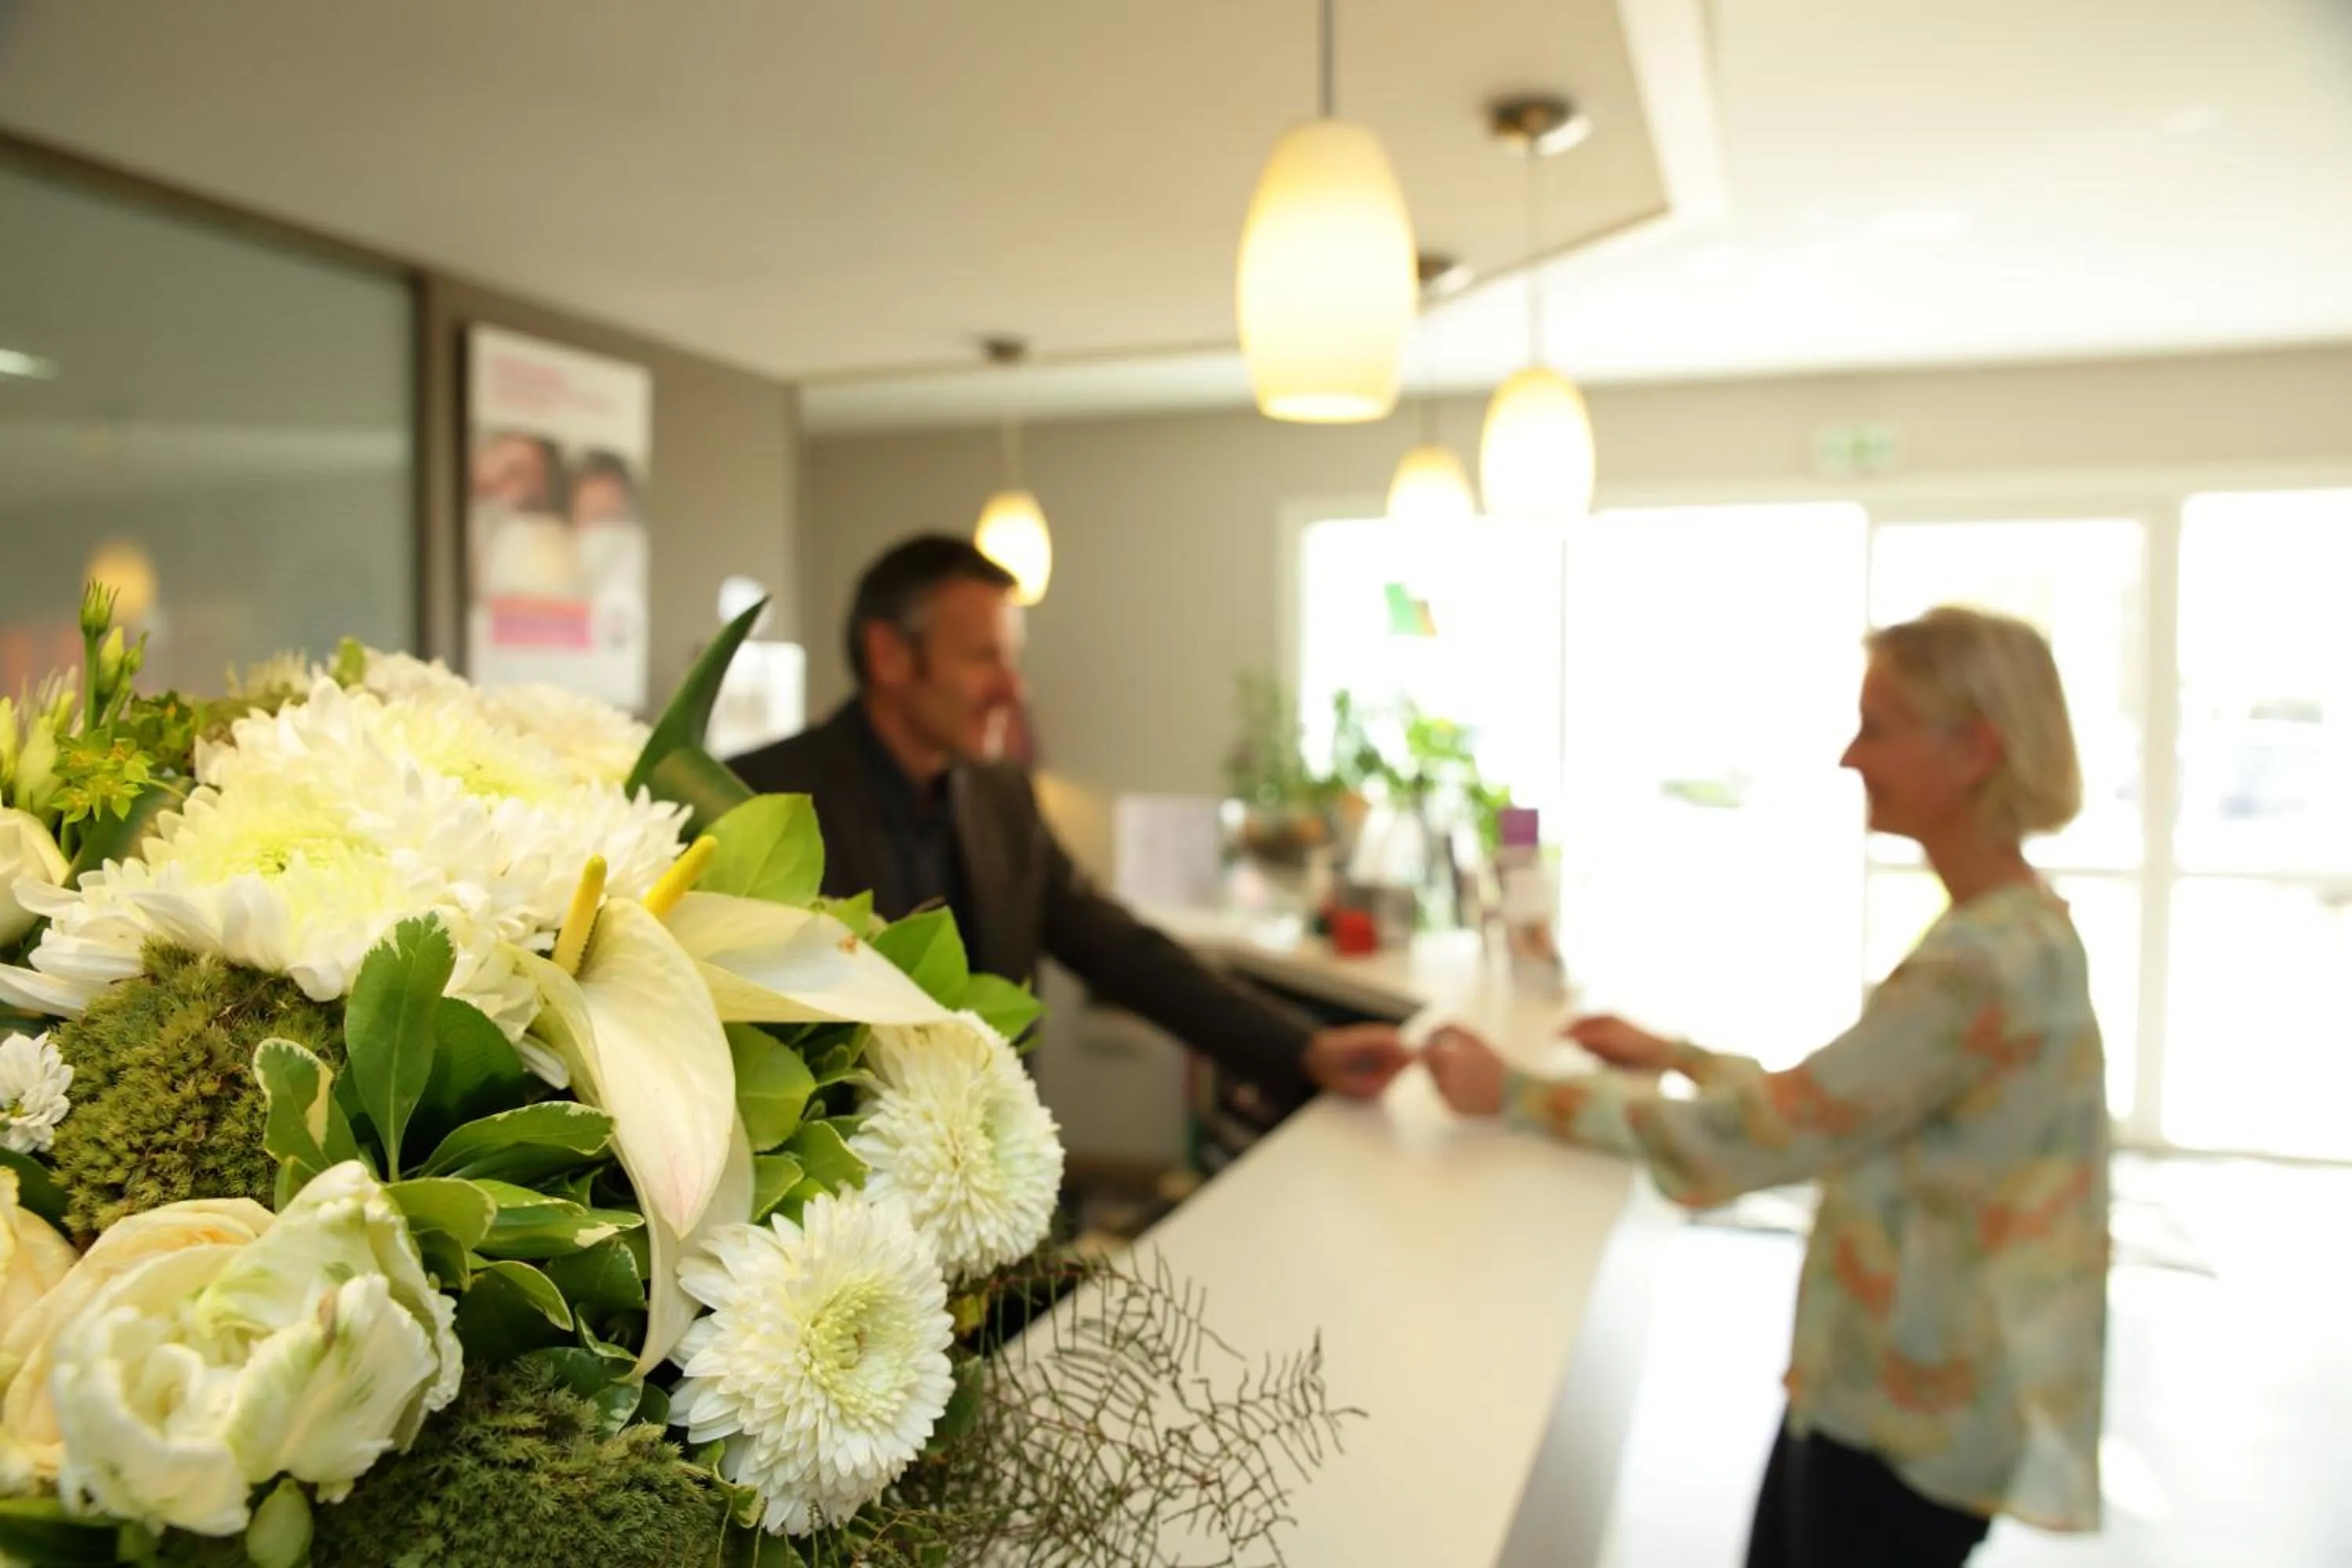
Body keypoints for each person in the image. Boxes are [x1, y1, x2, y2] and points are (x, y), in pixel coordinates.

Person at [1427, 607, 2108, 1568]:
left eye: (1878, 725)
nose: (1849, 756)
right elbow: (1852, 1107)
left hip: (1905, 1419)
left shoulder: (1980, 964)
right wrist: (1677, 1053)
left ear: (1975, 751)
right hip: (1910, 1400)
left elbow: (1762, 1136)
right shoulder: (2022, 930)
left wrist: (1515, 1092)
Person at [728, 535, 1413, 1106]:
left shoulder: (1002, 796)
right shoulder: (756, 796)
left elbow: (1119, 949)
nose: (1013, 688)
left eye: (1012, 657)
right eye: (984, 656)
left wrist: (1303, 1048)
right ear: (890, 656)